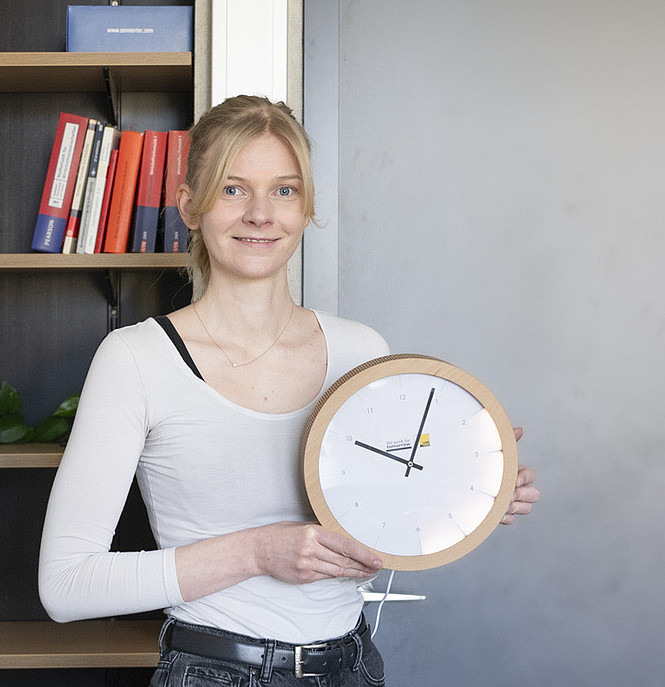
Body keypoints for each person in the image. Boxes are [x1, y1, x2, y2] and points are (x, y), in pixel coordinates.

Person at [38, 95, 540, 686]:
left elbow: (382, 520)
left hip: (351, 666)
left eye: (284, 190)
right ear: (190, 207)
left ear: (305, 210)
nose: (260, 214)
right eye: (232, 189)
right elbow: (66, 586)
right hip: (215, 672)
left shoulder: (362, 353)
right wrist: (257, 552)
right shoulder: (136, 360)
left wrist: (466, 488)